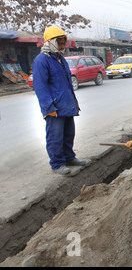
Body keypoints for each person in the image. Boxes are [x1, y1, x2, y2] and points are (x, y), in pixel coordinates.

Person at [32, 25, 87, 175]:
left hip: (67, 106)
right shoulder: (42, 60)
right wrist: (49, 108)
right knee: (55, 137)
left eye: (64, 43)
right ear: (50, 42)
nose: (62, 46)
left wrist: (73, 104)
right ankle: (56, 163)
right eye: (59, 43)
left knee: (69, 134)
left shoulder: (60, 59)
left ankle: (69, 157)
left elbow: (67, 84)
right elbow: (40, 86)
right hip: (54, 108)